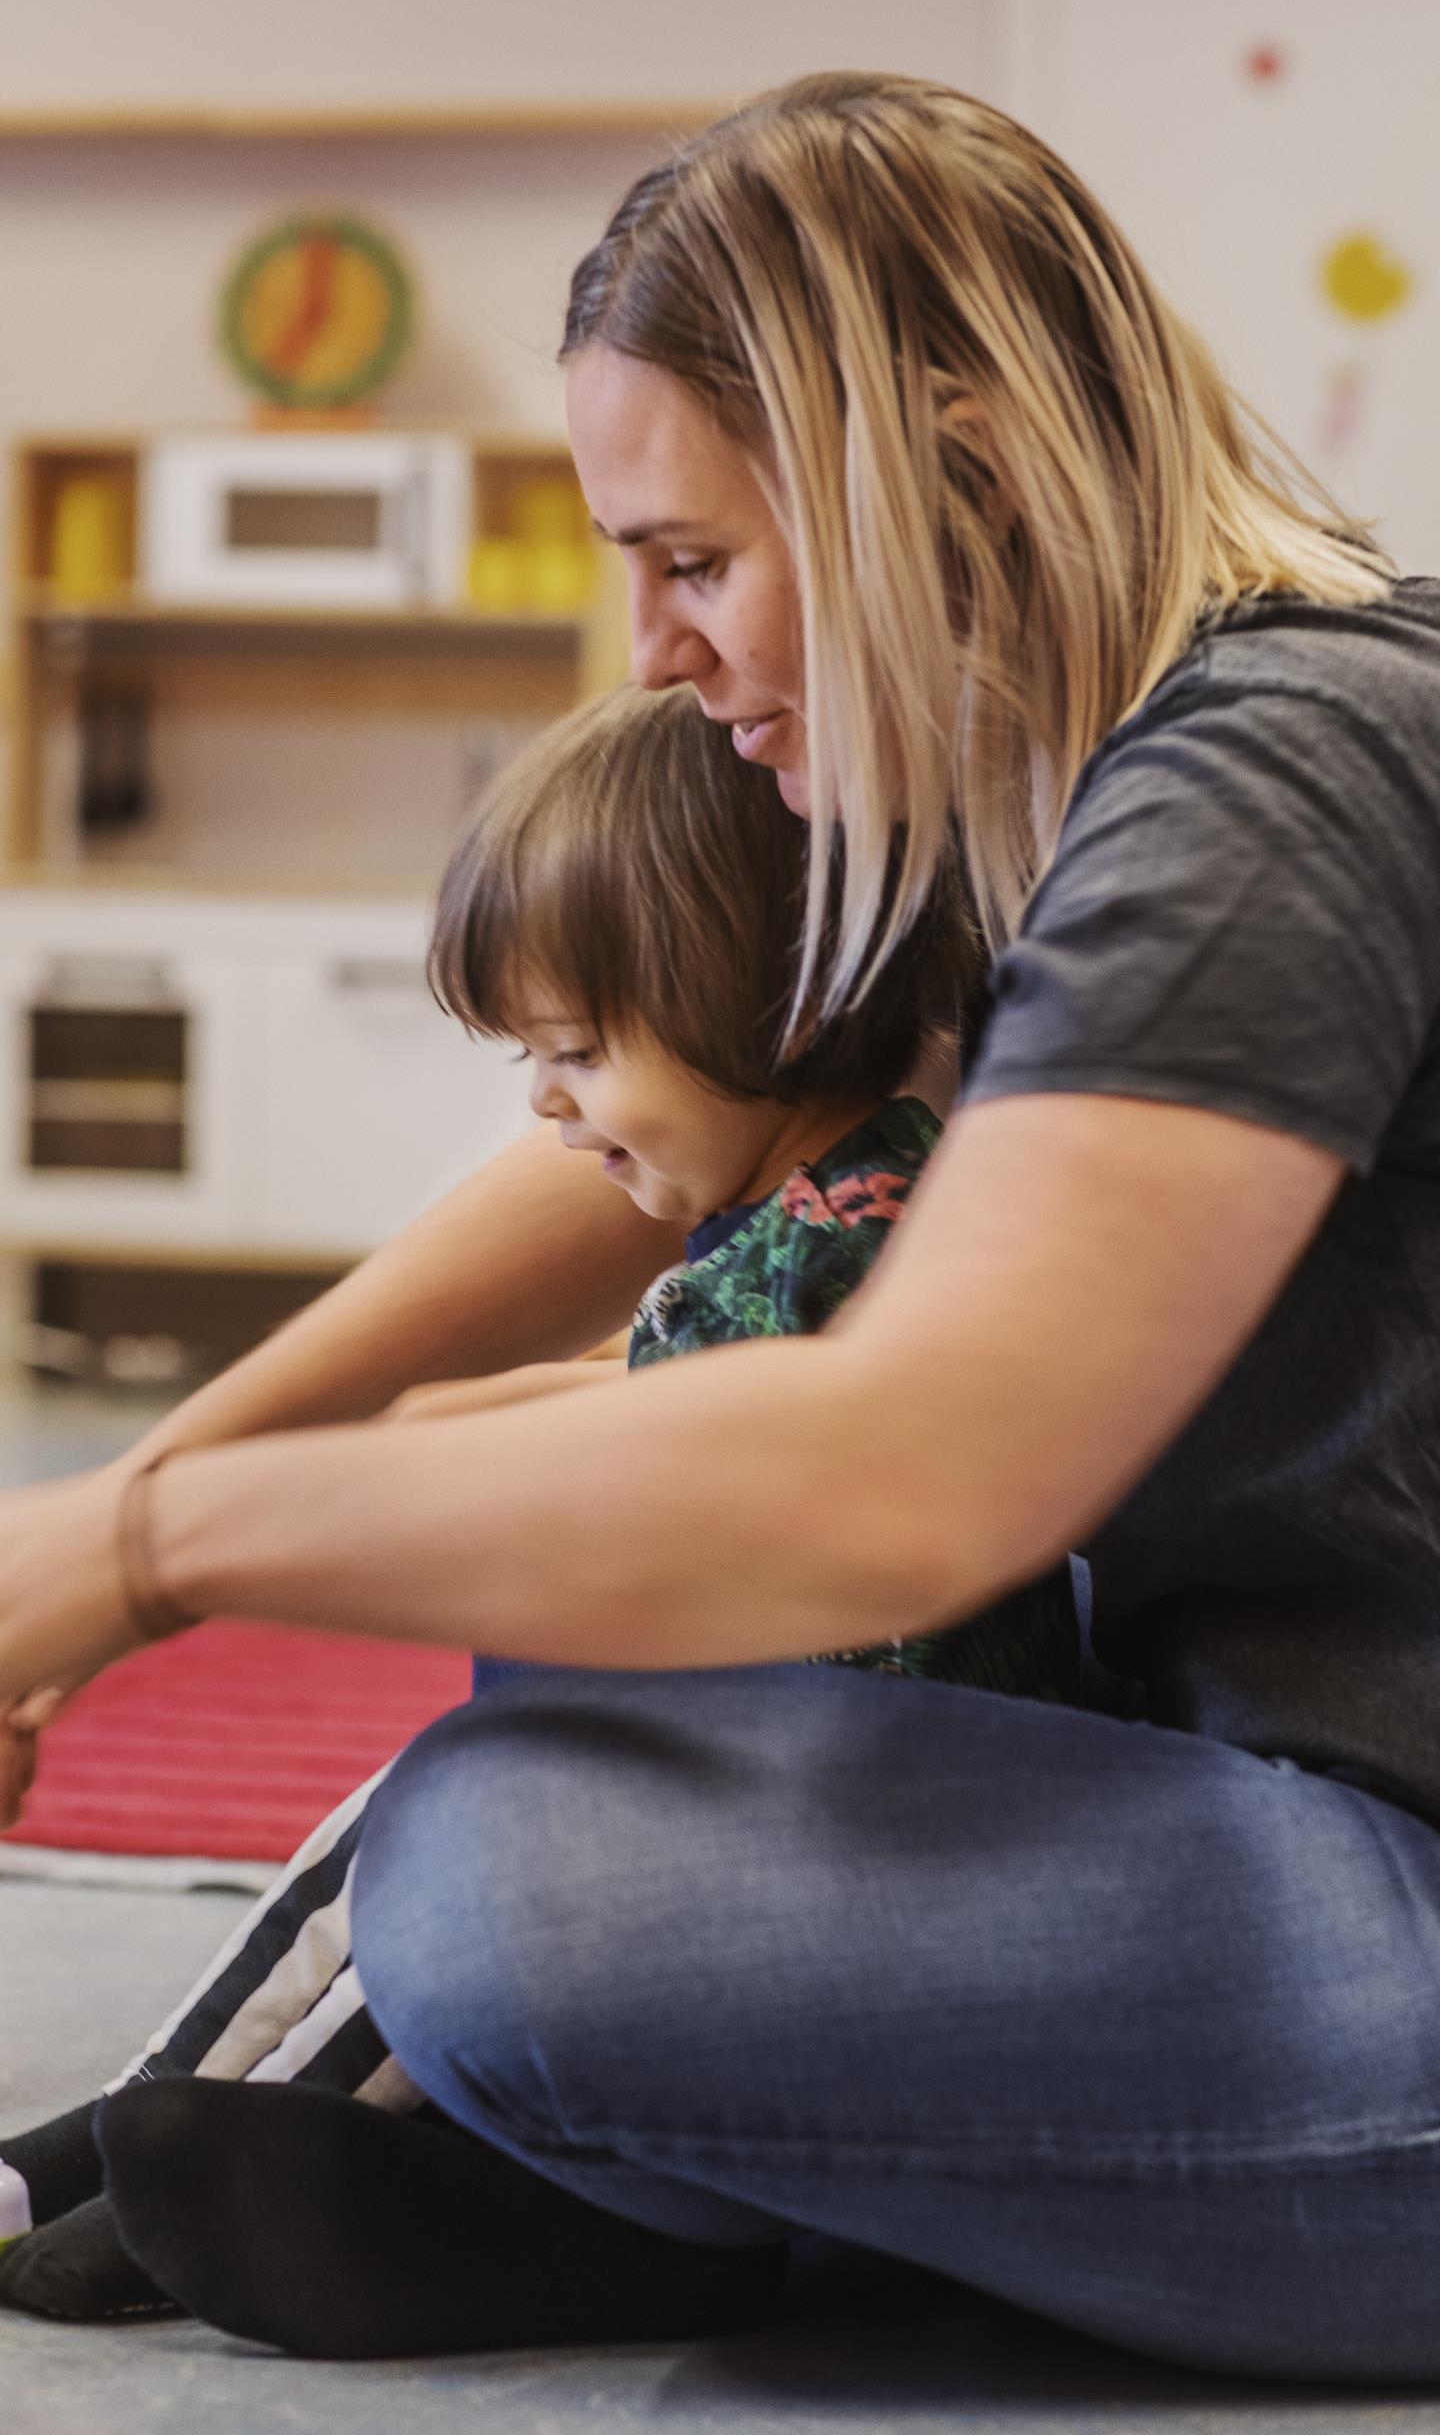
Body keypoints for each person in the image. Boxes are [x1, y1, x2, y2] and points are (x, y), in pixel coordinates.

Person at [2, 67, 1440, 2383]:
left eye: (695, 562)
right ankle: (697, 2193)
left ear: (949, 471)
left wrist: (150, 1548)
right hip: (1270, 1814)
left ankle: (681, 2198)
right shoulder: (1029, 776)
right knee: (567, 1684)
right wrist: (115, 1509)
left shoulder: (1286, 779)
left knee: (512, 1882)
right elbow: (669, 1128)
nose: (659, 654)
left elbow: (905, 1475)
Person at [0, 679, 1083, 2340]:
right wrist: (405, 1417)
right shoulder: (845, 1194)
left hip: (869, 1808)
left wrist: (254, 1514)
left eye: (578, 1055)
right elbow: (634, 1392)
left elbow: (677, 1439)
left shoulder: (838, 1239)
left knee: (444, 1815)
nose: (545, 1105)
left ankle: (212, 2144)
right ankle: (141, 2126)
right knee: (404, 1809)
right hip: (830, 1772)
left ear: (783, 1013)